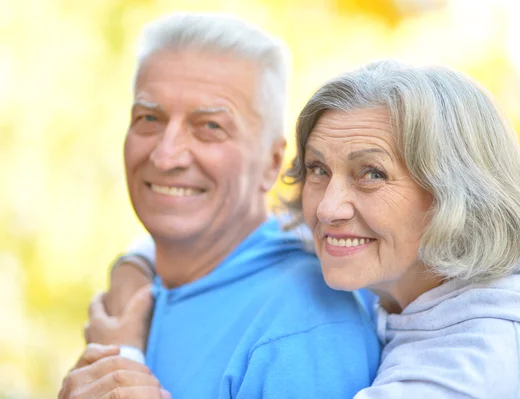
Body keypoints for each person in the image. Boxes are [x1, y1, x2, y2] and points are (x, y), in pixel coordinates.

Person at [90, 60, 520, 398]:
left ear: (453, 194)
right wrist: (133, 276)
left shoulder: (467, 368)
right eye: (317, 170)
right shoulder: (443, 276)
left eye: (371, 174)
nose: (329, 208)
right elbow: (200, 234)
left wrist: (124, 363)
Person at [58, 12, 381, 399]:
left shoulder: (303, 327)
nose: (166, 155)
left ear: (272, 163)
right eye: (149, 118)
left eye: (210, 126)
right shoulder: (146, 290)